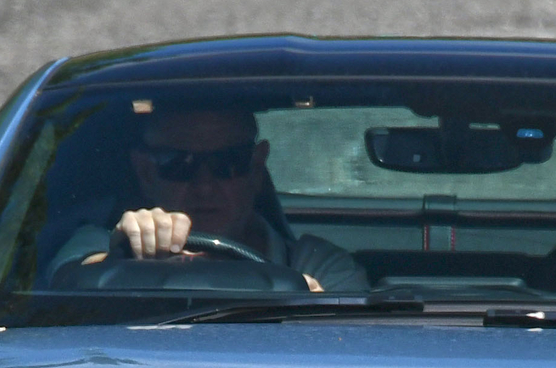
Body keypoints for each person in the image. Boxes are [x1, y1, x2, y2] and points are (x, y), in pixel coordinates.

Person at [76, 106, 367, 293]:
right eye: (180, 164)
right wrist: (122, 256)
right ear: (146, 172)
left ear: (255, 169)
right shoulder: (101, 242)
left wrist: (314, 310)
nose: (204, 187)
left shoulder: (317, 267)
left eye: (228, 163)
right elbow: (65, 287)